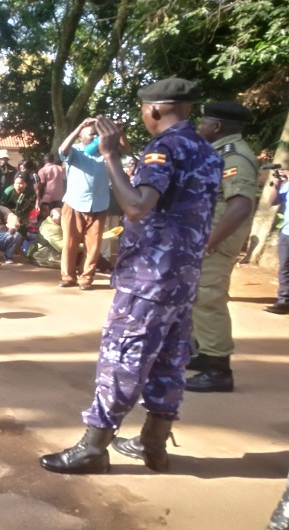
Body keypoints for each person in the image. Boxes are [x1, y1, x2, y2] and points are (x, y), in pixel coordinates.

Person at [40, 78, 223, 475]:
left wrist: (109, 155)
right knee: (170, 359)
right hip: (182, 276)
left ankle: (93, 448)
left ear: (155, 109)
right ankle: (153, 444)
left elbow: (138, 206)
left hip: (149, 277)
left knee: (124, 356)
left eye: (144, 110)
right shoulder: (207, 152)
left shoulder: (164, 149)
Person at [185, 102, 259, 393]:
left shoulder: (235, 158)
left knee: (208, 298)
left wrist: (209, 243)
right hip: (208, 236)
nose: (200, 127)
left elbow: (240, 206)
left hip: (216, 240)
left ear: (216, 127)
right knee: (198, 298)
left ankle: (218, 370)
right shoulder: (219, 153)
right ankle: (205, 355)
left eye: (204, 122)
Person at [57, 118, 111, 290]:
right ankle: (68, 276)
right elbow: (62, 149)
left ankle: (86, 278)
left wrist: (117, 130)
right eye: (92, 133)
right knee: (70, 243)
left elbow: (125, 149)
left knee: (93, 246)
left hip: (99, 205)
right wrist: (79, 126)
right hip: (74, 204)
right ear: (81, 137)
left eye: (97, 133)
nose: (95, 136)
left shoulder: (105, 152)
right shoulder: (75, 151)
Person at [264, 168, 289, 315]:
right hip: (286, 232)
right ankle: (284, 302)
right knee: (284, 268)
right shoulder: (286, 185)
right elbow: (272, 202)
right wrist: (276, 184)